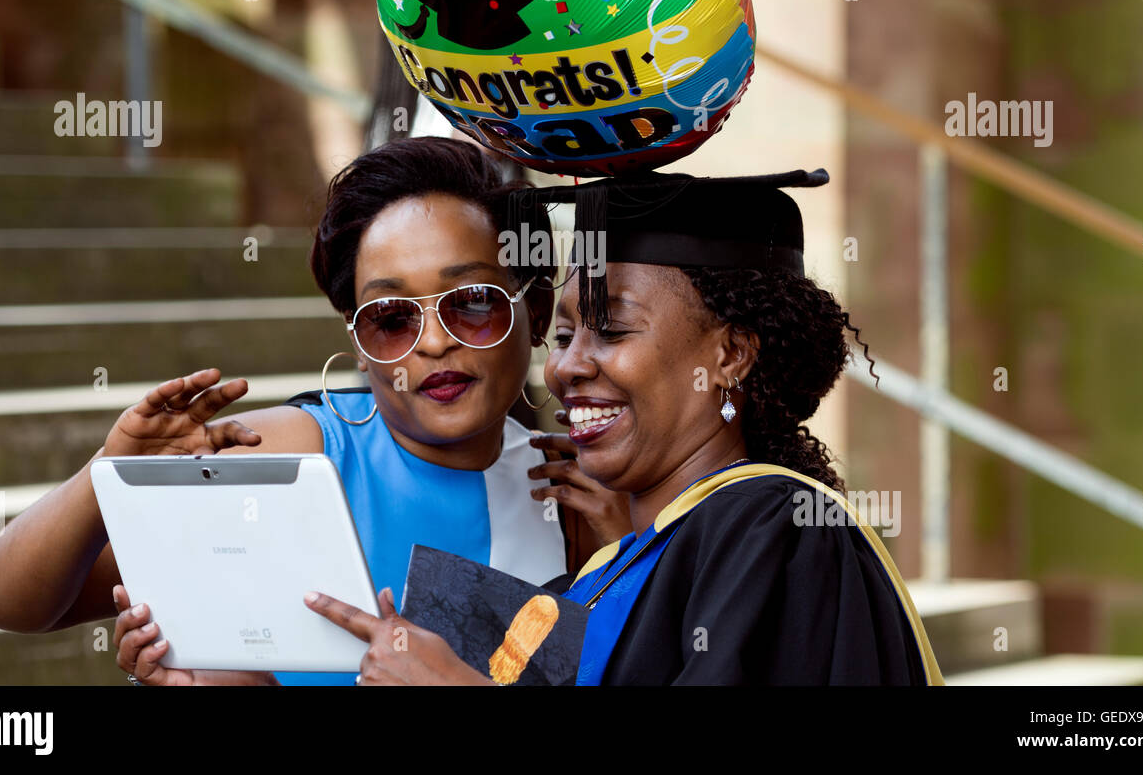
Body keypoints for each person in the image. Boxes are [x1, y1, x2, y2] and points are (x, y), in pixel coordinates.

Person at [0, 136, 631, 686]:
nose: (433, 342)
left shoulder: (571, 495)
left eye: (473, 302)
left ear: (536, 313)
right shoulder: (293, 456)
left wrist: (614, 569)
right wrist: (106, 470)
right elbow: (9, 602)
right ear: (358, 344)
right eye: (391, 318)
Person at [294, 168, 944, 685]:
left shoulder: (777, 531)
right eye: (568, 334)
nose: (567, 367)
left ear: (730, 355)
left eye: (612, 330)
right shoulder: (620, 561)